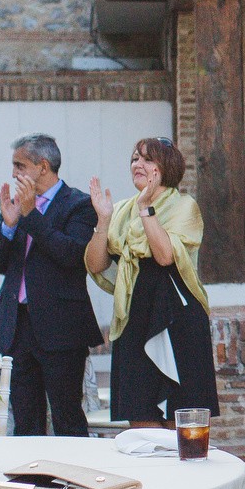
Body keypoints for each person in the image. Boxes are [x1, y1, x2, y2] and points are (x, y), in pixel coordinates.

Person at [86, 136, 217, 427]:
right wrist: (104, 219)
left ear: (165, 167)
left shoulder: (185, 206)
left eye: (147, 159)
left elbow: (165, 255)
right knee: (139, 416)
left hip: (176, 317)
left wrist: (146, 208)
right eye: (134, 158)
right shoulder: (120, 209)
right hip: (135, 315)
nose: (138, 164)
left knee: (181, 420)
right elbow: (96, 264)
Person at [0, 133, 102, 436]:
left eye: (19, 165)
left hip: (61, 330)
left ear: (43, 166)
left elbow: (72, 255)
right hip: (17, 328)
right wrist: (8, 228)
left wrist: (31, 214)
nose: (13, 173)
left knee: (67, 419)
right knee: (25, 423)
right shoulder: (17, 205)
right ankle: (28, 481)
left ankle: (74, 481)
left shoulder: (79, 204)